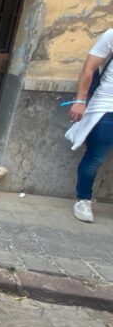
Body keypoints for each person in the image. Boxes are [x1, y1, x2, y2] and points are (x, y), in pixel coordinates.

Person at [66, 28, 113, 223]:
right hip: (108, 105)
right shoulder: (111, 34)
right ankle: (83, 199)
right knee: (95, 157)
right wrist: (80, 101)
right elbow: (89, 68)